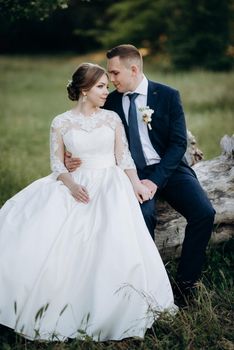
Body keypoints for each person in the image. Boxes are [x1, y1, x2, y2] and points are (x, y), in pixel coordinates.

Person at [0, 63, 177, 342]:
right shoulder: (60, 122)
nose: (106, 91)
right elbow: (57, 163)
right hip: (76, 184)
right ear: (84, 90)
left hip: (111, 184)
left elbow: (124, 158)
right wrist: (71, 185)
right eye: (101, 86)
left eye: (107, 85)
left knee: (115, 242)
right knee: (49, 237)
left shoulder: (111, 119)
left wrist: (135, 184)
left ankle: (121, 309)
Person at [66, 45, 216, 302]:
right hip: (129, 173)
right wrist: (72, 155)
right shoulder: (109, 101)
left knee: (204, 213)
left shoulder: (167, 95)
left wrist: (155, 181)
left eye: (114, 73)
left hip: (169, 168)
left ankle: (186, 286)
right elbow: (88, 129)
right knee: (142, 218)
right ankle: (145, 288)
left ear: (133, 69)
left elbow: (178, 143)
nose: (111, 80)